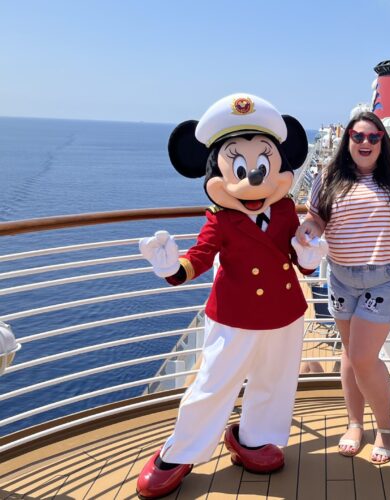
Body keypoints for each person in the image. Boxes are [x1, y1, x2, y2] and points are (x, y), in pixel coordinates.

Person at [136, 93, 322, 499]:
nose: (254, 179)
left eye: (264, 165)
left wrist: (308, 254)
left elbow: (295, 255)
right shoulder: (220, 219)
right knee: (212, 383)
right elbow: (201, 256)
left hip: (284, 311)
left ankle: (254, 438)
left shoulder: (288, 210)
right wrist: (173, 268)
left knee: (275, 381)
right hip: (235, 315)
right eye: (239, 166)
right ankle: (179, 452)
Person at [295, 111, 390, 464]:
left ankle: (385, 428)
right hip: (342, 277)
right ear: (347, 140)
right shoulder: (330, 177)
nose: (365, 143)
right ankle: (354, 423)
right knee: (350, 354)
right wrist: (309, 231)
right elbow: (317, 216)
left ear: (383, 142)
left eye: (373, 137)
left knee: (363, 356)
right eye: (358, 136)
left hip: (388, 276)